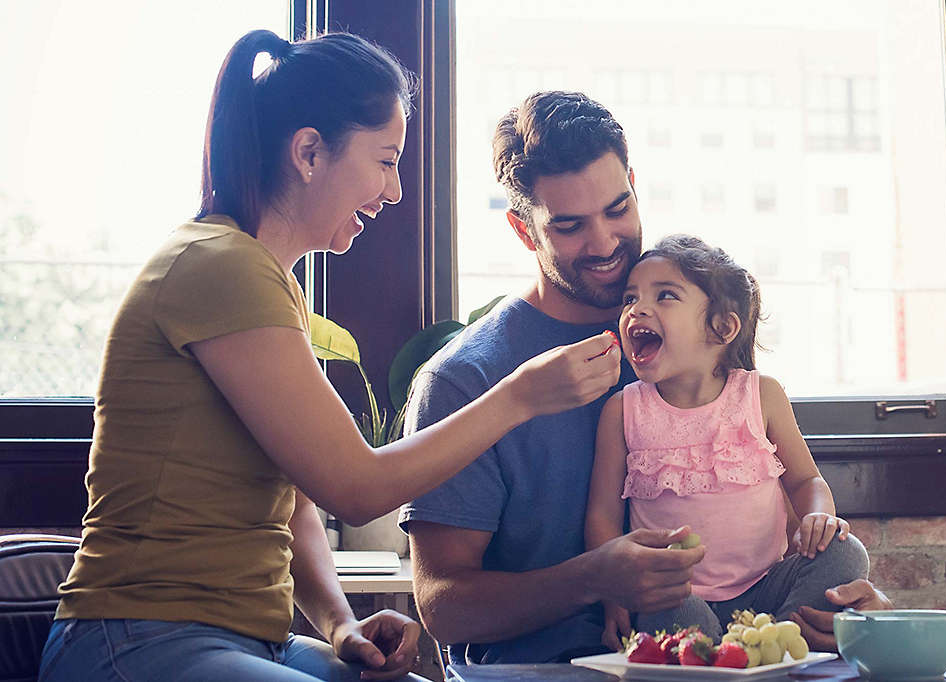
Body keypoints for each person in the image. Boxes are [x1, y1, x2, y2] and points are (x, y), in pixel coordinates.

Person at [37, 33, 622, 682]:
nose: (396, 191)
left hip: (252, 638)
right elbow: (355, 486)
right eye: (385, 160)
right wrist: (520, 397)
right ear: (309, 152)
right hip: (138, 636)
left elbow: (294, 502)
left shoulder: (265, 279)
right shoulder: (219, 267)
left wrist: (340, 624)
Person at [399, 91, 706, 665]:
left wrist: (822, 592)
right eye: (569, 226)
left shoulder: (696, 335)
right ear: (523, 229)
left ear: (634, 185)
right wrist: (591, 579)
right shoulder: (466, 379)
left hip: (707, 661)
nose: (606, 243)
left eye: (619, 208)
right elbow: (443, 606)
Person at [585, 234, 871, 647]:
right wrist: (615, 596)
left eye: (665, 295)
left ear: (722, 327)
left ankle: (778, 642)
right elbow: (602, 518)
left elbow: (806, 482)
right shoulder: (623, 410)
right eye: (630, 298)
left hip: (766, 589)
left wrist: (819, 517)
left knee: (847, 552)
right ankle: (723, 656)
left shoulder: (762, 395)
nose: (637, 309)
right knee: (670, 607)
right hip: (675, 596)